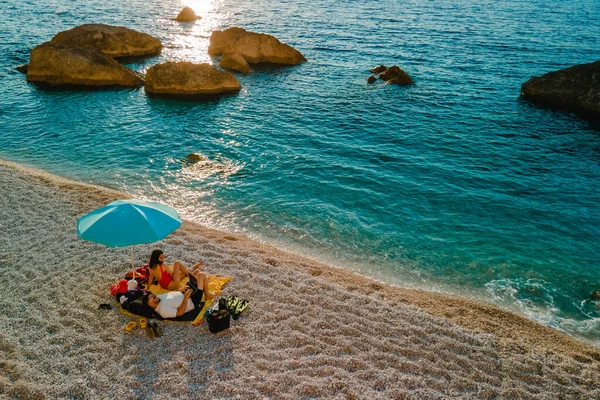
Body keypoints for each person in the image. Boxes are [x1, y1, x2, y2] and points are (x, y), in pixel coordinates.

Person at [143, 270, 217, 319]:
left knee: (195, 272)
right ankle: (207, 295)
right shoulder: (163, 311)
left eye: (153, 295)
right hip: (192, 301)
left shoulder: (158, 298)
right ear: (150, 304)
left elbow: (172, 295)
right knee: (201, 275)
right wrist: (185, 297)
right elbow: (179, 313)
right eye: (153, 297)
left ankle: (204, 281)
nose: (155, 296)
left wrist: (180, 290)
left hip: (185, 293)